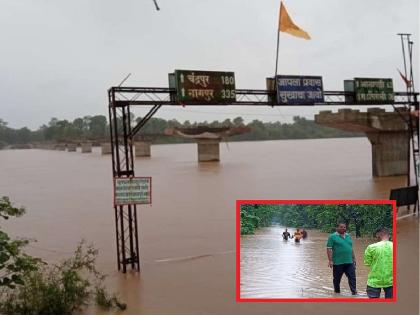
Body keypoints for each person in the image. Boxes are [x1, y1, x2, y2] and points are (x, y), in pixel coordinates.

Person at [326, 222, 357, 295]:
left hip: (349, 261)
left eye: (344, 227)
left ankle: (354, 293)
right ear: (337, 228)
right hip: (338, 262)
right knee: (337, 279)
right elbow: (329, 249)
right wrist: (330, 260)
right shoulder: (332, 237)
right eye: (341, 227)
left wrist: (354, 258)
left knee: (352, 278)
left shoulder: (348, 236)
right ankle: (337, 293)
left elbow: (350, 248)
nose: (343, 228)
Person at [364, 227, 393, 299]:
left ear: (378, 235)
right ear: (389, 235)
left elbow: (367, 263)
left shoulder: (371, 247)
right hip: (392, 281)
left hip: (374, 281)